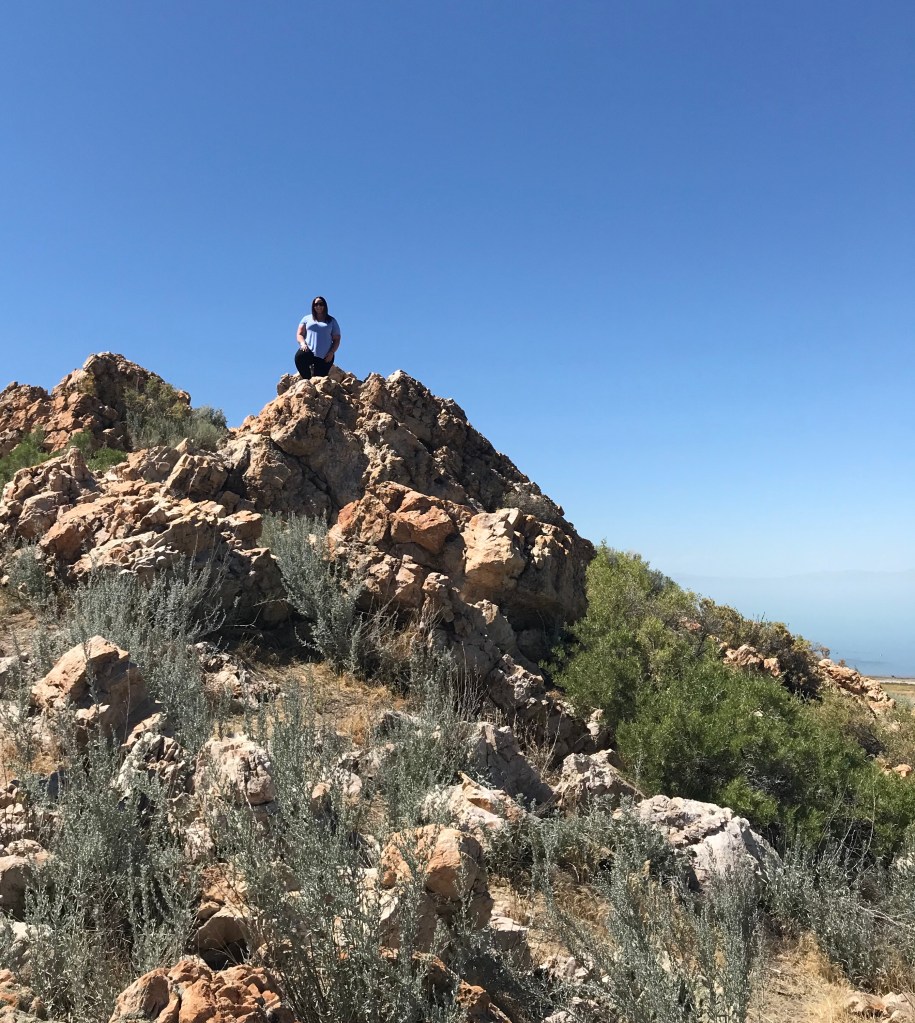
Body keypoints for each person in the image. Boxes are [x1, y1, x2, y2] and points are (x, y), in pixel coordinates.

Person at [295, 296, 341, 379]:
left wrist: (331, 352)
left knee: (319, 379)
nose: (318, 306)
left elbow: (337, 339)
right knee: (299, 357)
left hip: (324, 356)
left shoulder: (331, 320)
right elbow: (300, 334)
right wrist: (302, 344)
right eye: (316, 304)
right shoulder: (306, 318)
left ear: (325, 306)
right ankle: (307, 379)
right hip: (308, 351)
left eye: (321, 304)